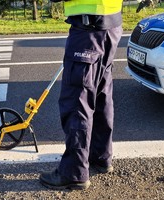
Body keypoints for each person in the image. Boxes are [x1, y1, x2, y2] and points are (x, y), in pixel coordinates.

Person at [40, 0, 123, 190]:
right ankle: (100, 156)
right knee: (102, 95)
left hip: (88, 30)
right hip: (110, 25)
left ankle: (74, 172)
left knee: (78, 101)